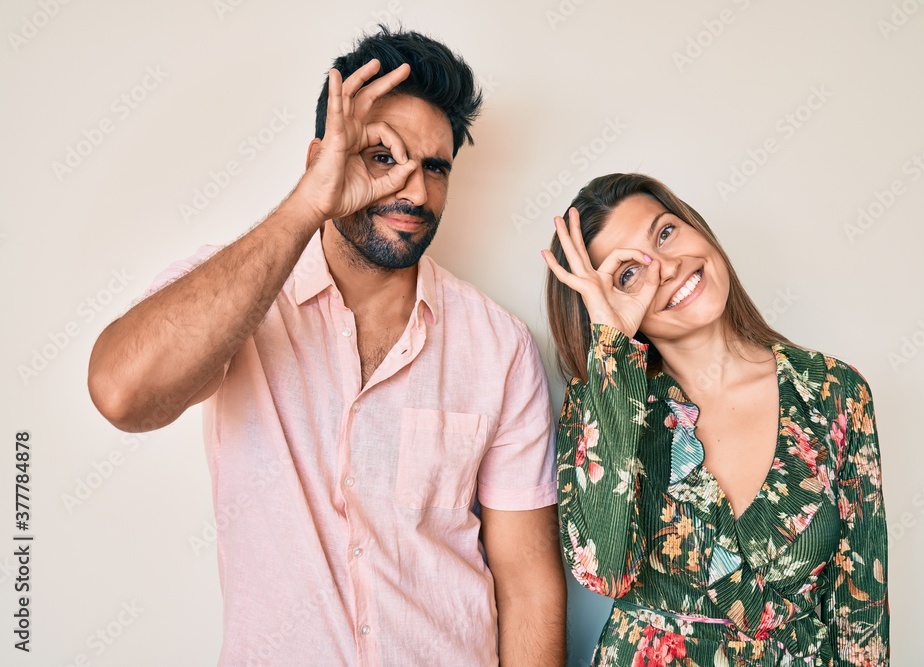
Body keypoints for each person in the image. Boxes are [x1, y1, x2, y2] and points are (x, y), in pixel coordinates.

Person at [88, 27, 566, 666]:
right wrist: (309, 204)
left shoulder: (497, 346)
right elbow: (122, 394)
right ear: (324, 156)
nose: (415, 191)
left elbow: (527, 580)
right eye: (381, 156)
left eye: (435, 168)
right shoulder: (235, 296)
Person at [541, 173, 888, 666]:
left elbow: (862, 606)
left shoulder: (833, 390)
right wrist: (611, 350)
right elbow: (602, 570)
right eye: (628, 274)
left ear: (697, 227)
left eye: (664, 233)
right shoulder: (598, 401)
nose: (667, 267)